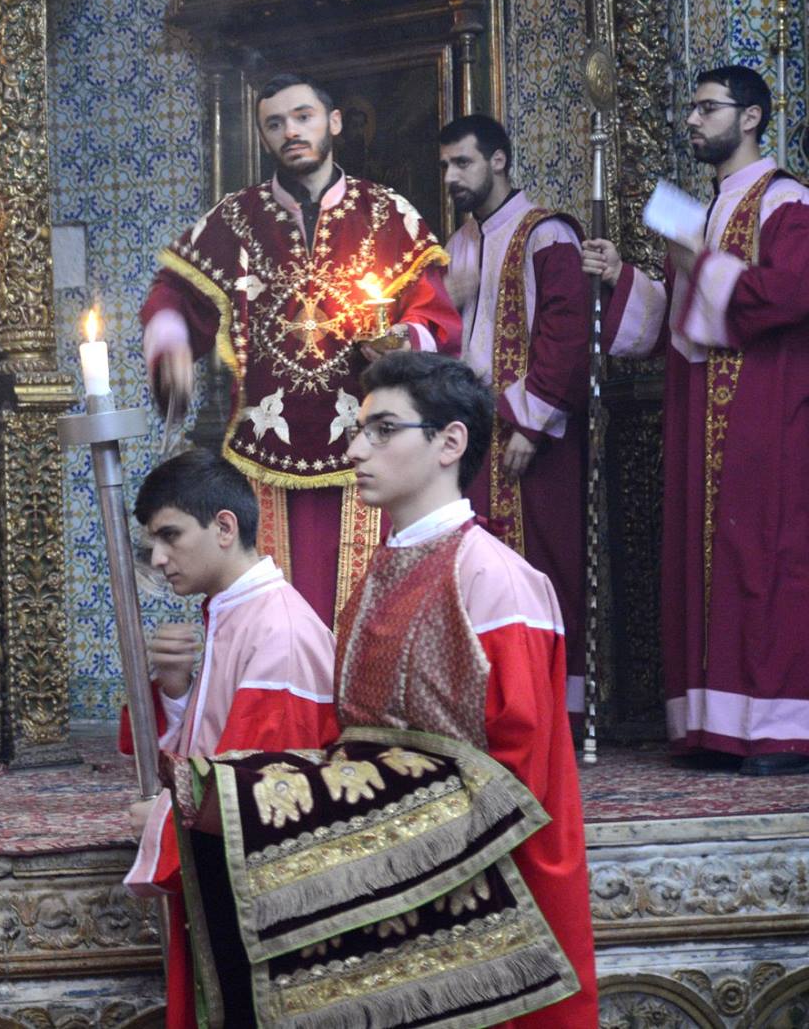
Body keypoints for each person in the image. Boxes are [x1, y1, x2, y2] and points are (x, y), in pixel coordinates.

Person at [172, 353, 595, 1026]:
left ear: (450, 442)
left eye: (381, 429)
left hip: (486, 893)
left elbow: (518, 780)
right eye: (358, 429)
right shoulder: (378, 575)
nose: (355, 448)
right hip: (403, 874)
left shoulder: (495, 580)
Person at [140, 72, 460, 624]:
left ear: (333, 122)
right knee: (274, 619)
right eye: (275, 123)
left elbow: (435, 312)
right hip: (265, 453)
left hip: (367, 454)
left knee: (369, 614)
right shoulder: (234, 219)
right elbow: (172, 293)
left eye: (303, 117)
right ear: (264, 137)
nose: (291, 131)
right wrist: (168, 340)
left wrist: (405, 342)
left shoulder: (388, 214)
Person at [583, 65, 809, 775]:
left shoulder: (788, 200)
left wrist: (695, 261)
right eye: (690, 107)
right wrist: (622, 275)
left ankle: (776, 731)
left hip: (768, 410)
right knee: (711, 563)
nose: (692, 121)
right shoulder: (702, 209)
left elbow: (784, 297)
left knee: (766, 561)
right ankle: (714, 728)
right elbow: (675, 322)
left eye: (707, 108)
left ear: (751, 118)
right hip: (700, 410)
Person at [119, 449, 336, 1029]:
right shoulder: (230, 612)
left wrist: (162, 819)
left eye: (170, 536)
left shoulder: (279, 630)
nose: (159, 559)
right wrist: (173, 689)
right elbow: (211, 738)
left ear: (223, 527)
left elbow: (266, 793)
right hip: (223, 876)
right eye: (151, 543)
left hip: (265, 902)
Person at [439, 113, 589, 719]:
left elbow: (565, 334)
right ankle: (493, 708)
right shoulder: (459, 245)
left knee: (542, 566)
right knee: (480, 570)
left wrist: (531, 422)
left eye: (463, 163)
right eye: (446, 165)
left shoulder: (546, 234)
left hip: (533, 435)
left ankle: (553, 709)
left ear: (498, 161)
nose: (452, 176)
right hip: (474, 434)